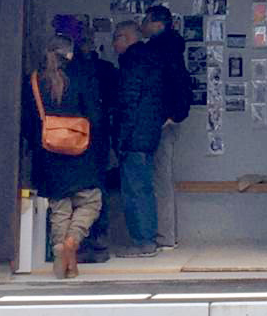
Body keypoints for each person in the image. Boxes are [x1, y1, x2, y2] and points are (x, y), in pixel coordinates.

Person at [26, 34, 102, 279]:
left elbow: (28, 120)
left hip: (48, 152)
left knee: (59, 205)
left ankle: (60, 247)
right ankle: (73, 239)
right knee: (90, 200)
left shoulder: (35, 81)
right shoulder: (81, 76)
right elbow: (95, 114)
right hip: (80, 150)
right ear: (69, 53)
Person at [113, 19, 165, 257]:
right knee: (144, 187)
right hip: (149, 133)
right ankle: (147, 239)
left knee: (134, 189)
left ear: (126, 38)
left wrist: (121, 137)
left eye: (116, 37)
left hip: (134, 135)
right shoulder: (152, 58)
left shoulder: (132, 62)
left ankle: (143, 241)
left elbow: (128, 103)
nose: (113, 44)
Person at [68, 17, 117, 265]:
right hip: (92, 135)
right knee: (93, 191)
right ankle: (85, 241)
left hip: (71, 137)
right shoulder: (101, 70)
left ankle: (78, 241)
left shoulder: (72, 71)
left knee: (82, 191)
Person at [141, 5, 190, 249]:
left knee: (160, 178)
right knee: (163, 177)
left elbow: (170, 86)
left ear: (157, 23)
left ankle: (164, 236)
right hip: (168, 119)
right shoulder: (174, 49)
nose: (142, 25)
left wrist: (169, 115)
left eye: (145, 20)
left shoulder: (156, 52)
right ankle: (166, 235)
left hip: (160, 121)